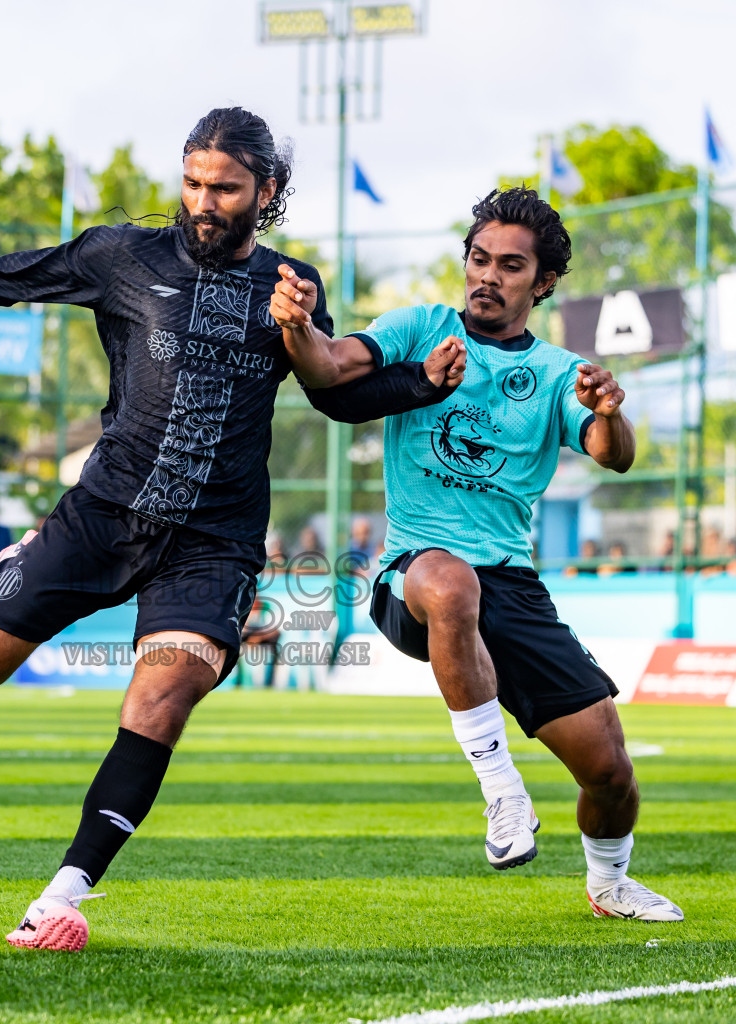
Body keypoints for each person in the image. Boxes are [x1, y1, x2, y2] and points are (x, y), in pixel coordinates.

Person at [0, 106, 457, 952]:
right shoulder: (120, 256)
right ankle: (10, 570)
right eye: (194, 183)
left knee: (162, 694)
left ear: (266, 191)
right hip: (103, 512)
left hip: (213, 543)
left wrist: (417, 382)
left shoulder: (292, 280)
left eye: (226, 188)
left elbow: (332, 392)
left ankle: (64, 894)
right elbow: (6, 276)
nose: (204, 202)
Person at [271, 184, 682, 921]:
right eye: (479, 258)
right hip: (414, 575)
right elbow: (329, 367)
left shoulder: (559, 372)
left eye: (511, 265)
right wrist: (297, 326)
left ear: (544, 281)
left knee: (611, 772)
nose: (488, 276)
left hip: (514, 590)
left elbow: (609, 454)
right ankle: (502, 792)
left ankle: (611, 884)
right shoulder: (420, 327)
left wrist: (609, 413)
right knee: (451, 581)